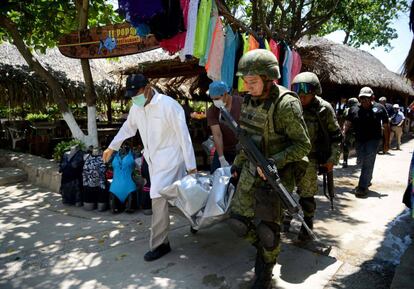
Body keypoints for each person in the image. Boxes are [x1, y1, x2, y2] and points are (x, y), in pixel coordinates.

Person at [228, 49, 311, 289]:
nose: (247, 86)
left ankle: (265, 270)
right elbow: (246, 139)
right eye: (245, 81)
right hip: (250, 171)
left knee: (268, 231)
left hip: (277, 176)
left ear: (269, 78)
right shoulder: (249, 101)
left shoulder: (286, 105)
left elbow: (303, 145)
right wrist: (237, 165)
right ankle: (268, 248)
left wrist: (276, 160)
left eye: (252, 82)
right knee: (237, 223)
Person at [102, 74, 197, 261]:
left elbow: (183, 136)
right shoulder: (136, 108)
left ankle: (161, 244)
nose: (133, 98)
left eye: (135, 93)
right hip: (153, 161)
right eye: (130, 95)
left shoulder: (169, 106)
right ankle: (196, 220)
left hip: (171, 159)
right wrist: (112, 146)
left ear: (147, 87)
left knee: (157, 196)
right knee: (178, 196)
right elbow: (128, 128)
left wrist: (191, 166)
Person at [288, 72, 342, 241]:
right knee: (284, 190)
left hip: (310, 158)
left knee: (306, 194)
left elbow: (336, 136)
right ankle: (284, 218)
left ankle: (307, 223)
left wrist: (332, 159)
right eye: (299, 95)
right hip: (289, 156)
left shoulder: (324, 109)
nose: (301, 98)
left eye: (305, 95)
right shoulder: (290, 105)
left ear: (314, 93)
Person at [343, 87, 390, 197]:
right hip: (359, 140)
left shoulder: (379, 108)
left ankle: (362, 187)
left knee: (368, 160)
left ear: (372, 98)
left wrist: (386, 143)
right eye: (362, 98)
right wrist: (343, 134)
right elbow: (347, 123)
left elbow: (386, 126)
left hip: (373, 140)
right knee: (361, 162)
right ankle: (367, 179)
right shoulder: (354, 109)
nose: (364, 100)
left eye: (367, 98)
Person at [206, 81, 242, 173]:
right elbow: (217, 134)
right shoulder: (212, 110)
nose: (215, 102)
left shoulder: (241, 103)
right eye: (213, 99)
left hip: (242, 149)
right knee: (216, 175)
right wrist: (221, 158)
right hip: (224, 149)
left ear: (225, 94)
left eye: (217, 98)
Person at [341, 98, 359, 168]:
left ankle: (345, 161)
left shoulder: (346, 110)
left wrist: (343, 130)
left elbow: (343, 121)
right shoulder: (360, 109)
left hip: (349, 131)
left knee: (346, 146)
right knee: (358, 146)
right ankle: (359, 160)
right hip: (358, 131)